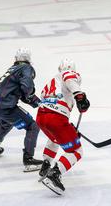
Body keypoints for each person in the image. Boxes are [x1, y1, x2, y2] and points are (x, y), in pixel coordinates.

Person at [36, 58, 90, 195]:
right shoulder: (69, 74)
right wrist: (80, 96)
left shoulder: (53, 81)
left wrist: (68, 129)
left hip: (41, 117)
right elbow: (69, 77)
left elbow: (43, 96)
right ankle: (55, 174)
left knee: (55, 138)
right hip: (56, 118)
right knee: (76, 151)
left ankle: (46, 164)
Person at [0, 47, 43, 172]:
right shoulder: (26, 68)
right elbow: (26, 87)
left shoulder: (13, 69)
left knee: (6, 123)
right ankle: (29, 159)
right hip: (5, 106)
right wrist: (34, 98)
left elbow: (20, 92)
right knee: (32, 126)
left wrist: (35, 102)